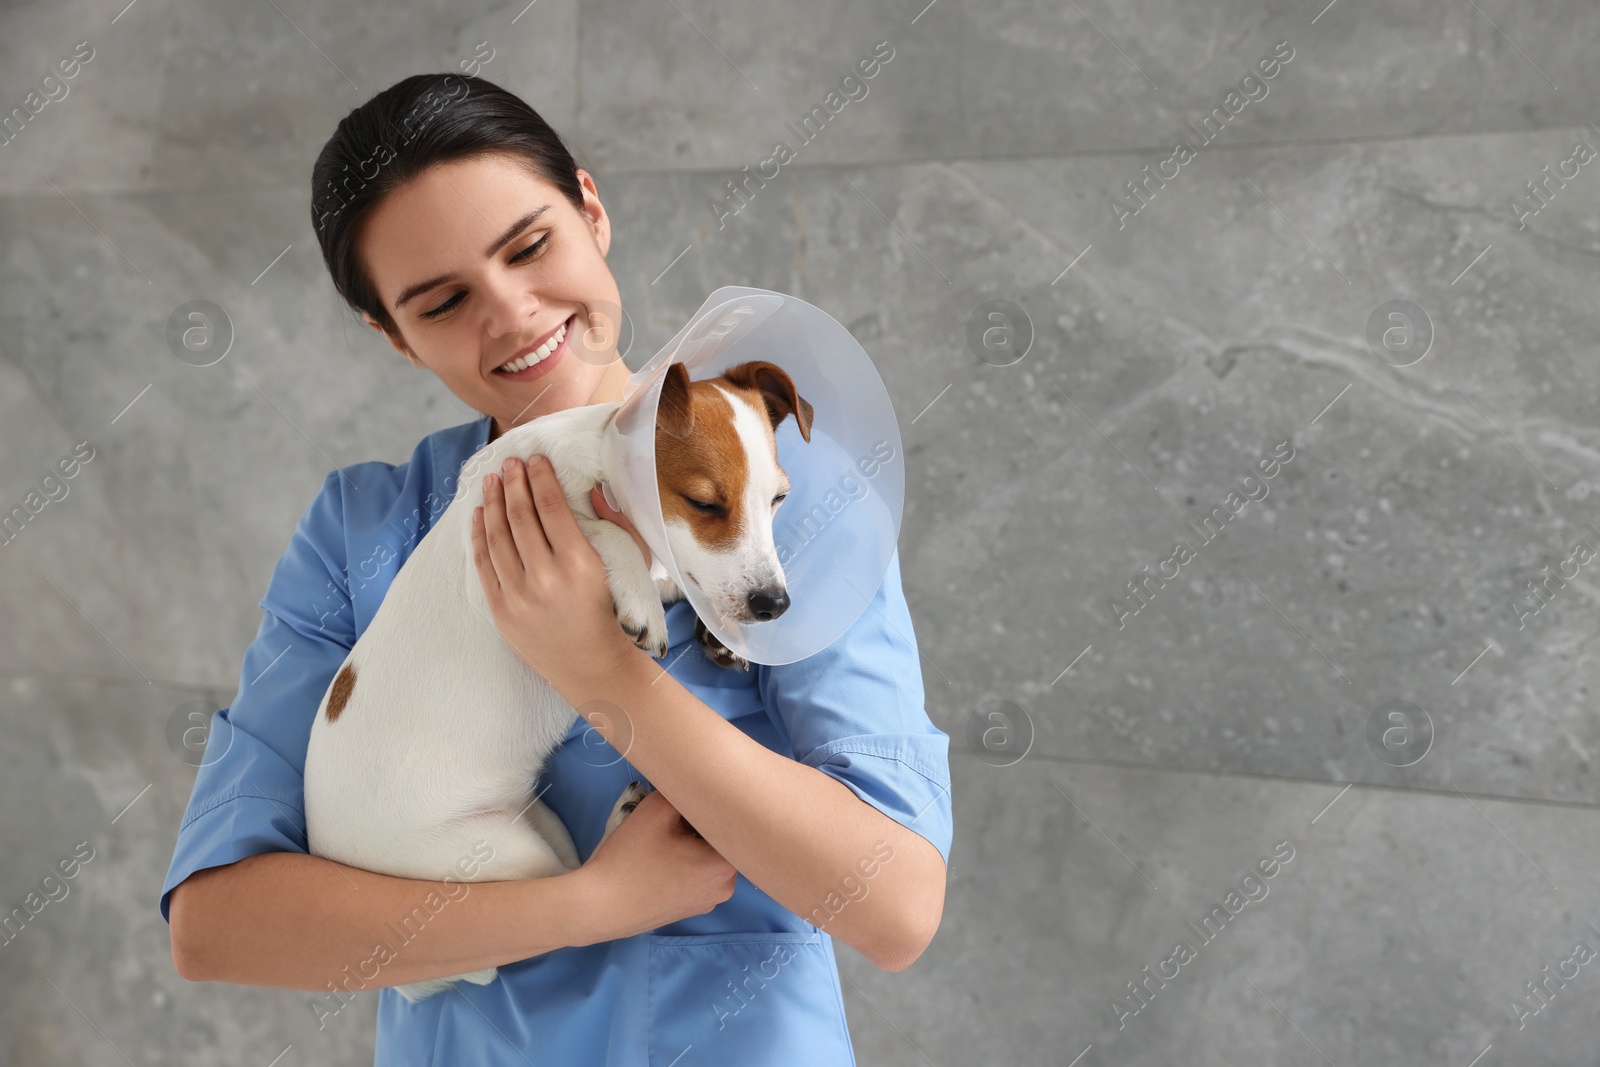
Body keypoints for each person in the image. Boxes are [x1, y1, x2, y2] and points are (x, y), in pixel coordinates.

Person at [160, 72, 953, 1066]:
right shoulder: (364, 527)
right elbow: (218, 924)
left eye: (529, 246)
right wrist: (591, 903)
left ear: (590, 209)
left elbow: (893, 906)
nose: (513, 312)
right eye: (443, 300)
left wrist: (602, 672)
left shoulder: (780, 491)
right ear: (392, 336)